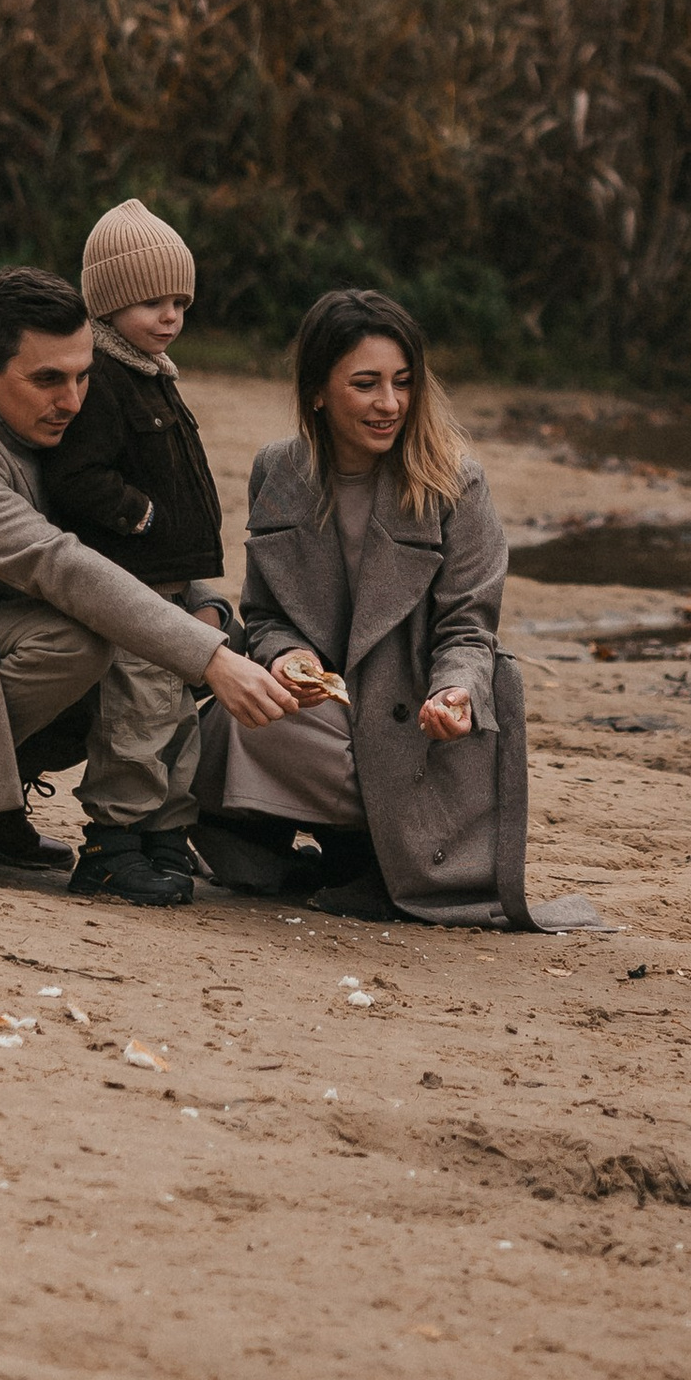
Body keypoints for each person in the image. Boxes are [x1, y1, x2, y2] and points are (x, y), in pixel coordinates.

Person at [0, 265, 299, 886]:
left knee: (142, 651)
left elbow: (121, 549)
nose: (71, 400)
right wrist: (211, 660)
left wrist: (205, 608)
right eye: (47, 379)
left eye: (83, 375)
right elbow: (59, 563)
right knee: (80, 643)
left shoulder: (42, 423)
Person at [199, 286, 586, 928]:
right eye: (366, 384)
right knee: (227, 721)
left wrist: (457, 694)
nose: (390, 404)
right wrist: (289, 656)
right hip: (328, 718)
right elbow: (264, 616)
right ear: (318, 392)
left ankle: (367, 851)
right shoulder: (279, 470)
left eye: (403, 383)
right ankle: (336, 845)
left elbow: (469, 628)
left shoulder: (456, 482)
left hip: (422, 722)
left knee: (357, 751)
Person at [37, 199, 233, 910]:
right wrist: (140, 514)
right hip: (133, 582)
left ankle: (164, 839)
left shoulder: (155, 372)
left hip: (171, 585)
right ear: (111, 302)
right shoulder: (103, 380)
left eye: (179, 300)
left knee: (178, 719)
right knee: (138, 716)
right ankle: (112, 848)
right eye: (152, 301)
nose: (170, 315)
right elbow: (76, 477)